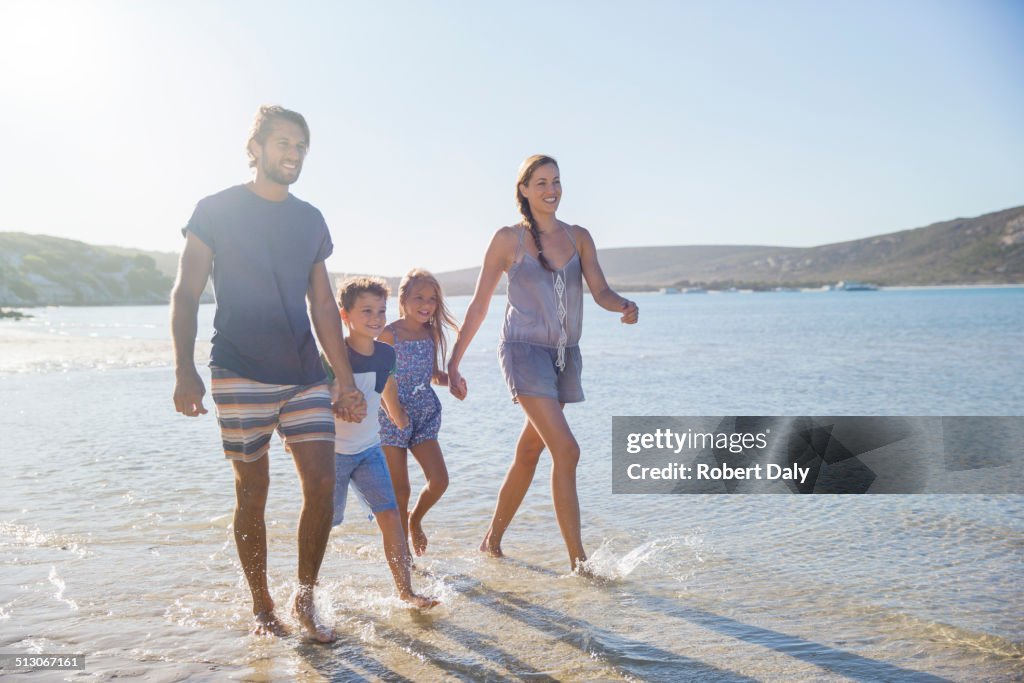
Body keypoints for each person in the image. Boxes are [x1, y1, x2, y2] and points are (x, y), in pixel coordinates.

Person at [171, 105, 366, 642]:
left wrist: (343, 379)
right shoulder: (216, 210)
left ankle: (305, 595)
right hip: (239, 369)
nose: (293, 153)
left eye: (301, 145)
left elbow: (324, 304)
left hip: (304, 370)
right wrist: (184, 370)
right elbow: (186, 293)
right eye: (283, 142)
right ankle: (262, 605)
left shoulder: (310, 220)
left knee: (323, 483)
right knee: (252, 490)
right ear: (254, 147)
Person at [447, 154, 639, 573]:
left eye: (555, 181)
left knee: (531, 449)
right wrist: (455, 361)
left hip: (564, 356)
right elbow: (480, 306)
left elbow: (600, 290)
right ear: (523, 189)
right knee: (567, 450)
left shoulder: (579, 237)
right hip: (522, 351)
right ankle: (579, 563)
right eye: (540, 183)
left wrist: (623, 305)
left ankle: (491, 542)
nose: (550, 190)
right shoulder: (507, 240)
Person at [326, 276, 438, 609]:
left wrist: (398, 414)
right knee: (323, 524)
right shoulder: (333, 355)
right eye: (366, 311)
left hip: (368, 451)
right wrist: (293, 436)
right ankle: (306, 595)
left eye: (380, 310)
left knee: (391, 516)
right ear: (345, 315)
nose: (376, 318)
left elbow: (386, 385)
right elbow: (307, 398)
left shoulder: (386, 353)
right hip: (331, 455)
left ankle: (406, 592)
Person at [378, 269, 459, 557]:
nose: (427, 304)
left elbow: (431, 374)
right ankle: (404, 559)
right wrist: (395, 411)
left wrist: (452, 380)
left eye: (433, 299)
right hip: (392, 416)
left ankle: (415, 520)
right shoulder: (389, 334)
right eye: (419, 297)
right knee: (400, 492)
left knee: (439, 481)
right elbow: (380, 375)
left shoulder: (431, 333)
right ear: (403, 299)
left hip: (424, 414)